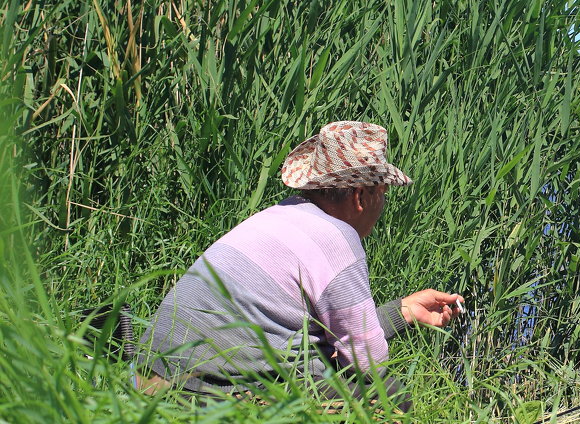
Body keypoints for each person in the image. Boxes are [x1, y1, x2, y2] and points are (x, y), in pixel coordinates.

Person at [140, 120, 464, 403]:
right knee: (389, 399)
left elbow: (333, 337)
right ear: (361, 196)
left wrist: (404, 310)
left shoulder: (277, 217)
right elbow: (367, 363)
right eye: (382, 193)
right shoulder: (337, 239)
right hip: (211, 392)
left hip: (148, 377)